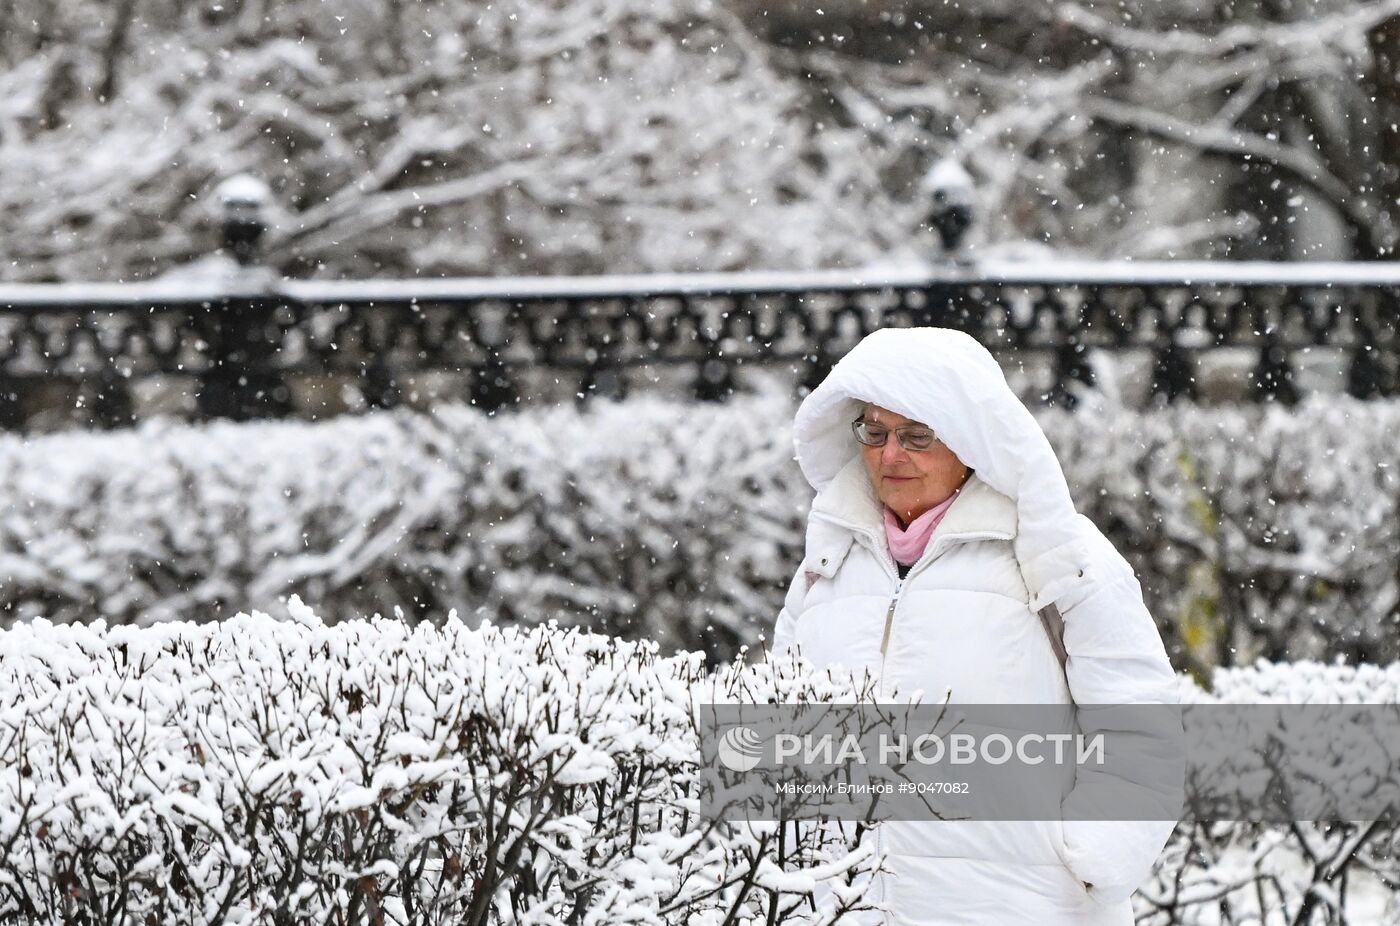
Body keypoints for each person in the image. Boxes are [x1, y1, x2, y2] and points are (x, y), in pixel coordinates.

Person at [770, 327, 1181, 925]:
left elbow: (1137, 710)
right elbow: (779, 721)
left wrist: (1096, 856)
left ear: (971, 439)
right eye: (875, 433)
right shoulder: (827, 564)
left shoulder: (1056, 550)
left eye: (917, 435)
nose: (890, 455)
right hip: (843, 908)